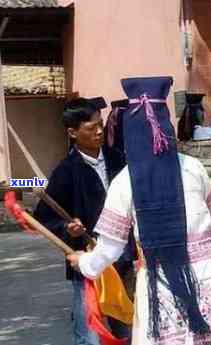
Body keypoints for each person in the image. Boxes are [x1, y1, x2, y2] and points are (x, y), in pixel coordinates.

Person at [67, 77, 211, 345]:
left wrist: (85, 264)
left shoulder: (125, 180)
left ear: (131, 133)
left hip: (164, 289)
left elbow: (110, 249)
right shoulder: (193, 167)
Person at [34, 97, 128, 345]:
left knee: (128, 327)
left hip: (123, 257)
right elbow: (44, 218)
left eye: (100, 124)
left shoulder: (118, 159)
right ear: (73, 132)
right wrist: (67, 228)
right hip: (87, 260)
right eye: (90, 128)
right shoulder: (65, 171)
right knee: (89, 333)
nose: (98, 131)